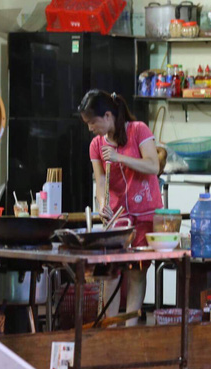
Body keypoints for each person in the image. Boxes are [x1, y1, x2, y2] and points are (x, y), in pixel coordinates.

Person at [78, 89, 164, 325]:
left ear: (107, 116)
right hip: (117, 219)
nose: (90, 129)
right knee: (110, 274)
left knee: (136, 273)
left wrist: (120, 158)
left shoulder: (138, 130)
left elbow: (153, 166)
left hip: (146, 215)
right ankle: (110, 330)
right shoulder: (96, 145)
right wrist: (102, 204)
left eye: (92, 122)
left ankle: (131, 329)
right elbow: (100, 182)